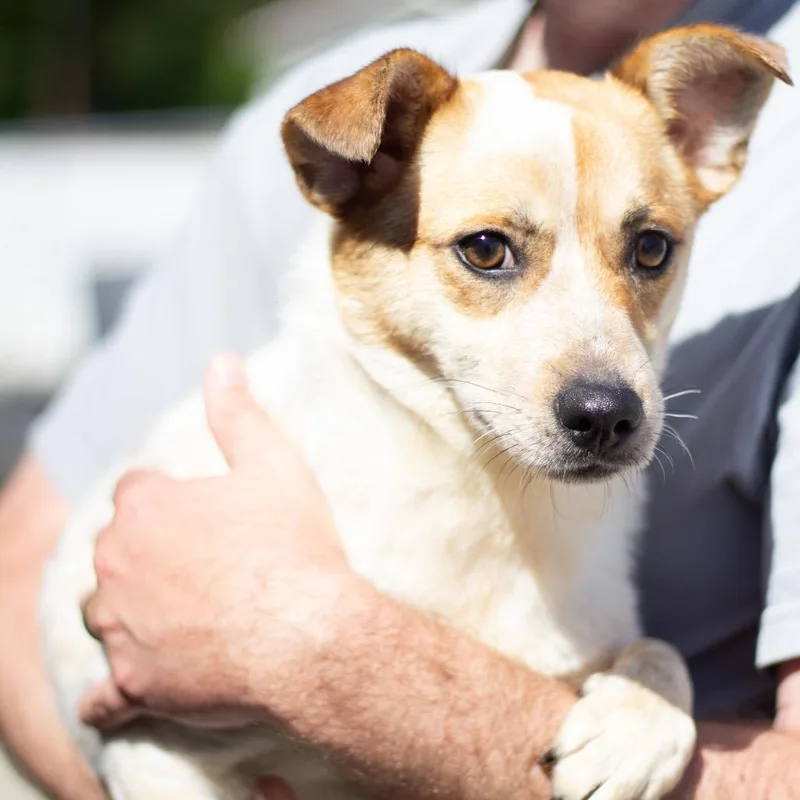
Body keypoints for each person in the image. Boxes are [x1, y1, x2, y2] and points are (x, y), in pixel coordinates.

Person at [2, 0, 800, 797]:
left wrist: (318, 650)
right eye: (489, 251)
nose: (603, 387)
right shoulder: (364, 103)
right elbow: (26, 572)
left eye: (646, 249)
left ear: (704, 142)